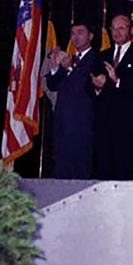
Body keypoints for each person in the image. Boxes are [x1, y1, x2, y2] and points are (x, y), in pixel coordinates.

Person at [91, 14, 133, 180]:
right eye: (113, 28)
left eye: (122, 28)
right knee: (104, 173)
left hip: (128, 127)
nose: (117, 32)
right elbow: (89, 85)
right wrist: (97, 86)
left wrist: (117, 80)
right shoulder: (102, 55)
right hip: (104, 125)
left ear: (132, 30)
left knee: (125, 174)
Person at [46, 23, 99, 179]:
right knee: (62, 170)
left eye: (81, 32)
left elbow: (85, 85)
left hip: (82, 125)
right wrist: (55, 66)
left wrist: (69, 68)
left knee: (80, 170)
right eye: (73, 33)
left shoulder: (96, 58)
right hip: (63, 124)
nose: (76, 37)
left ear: (91, 36)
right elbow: (52, 85)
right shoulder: (70, 58)